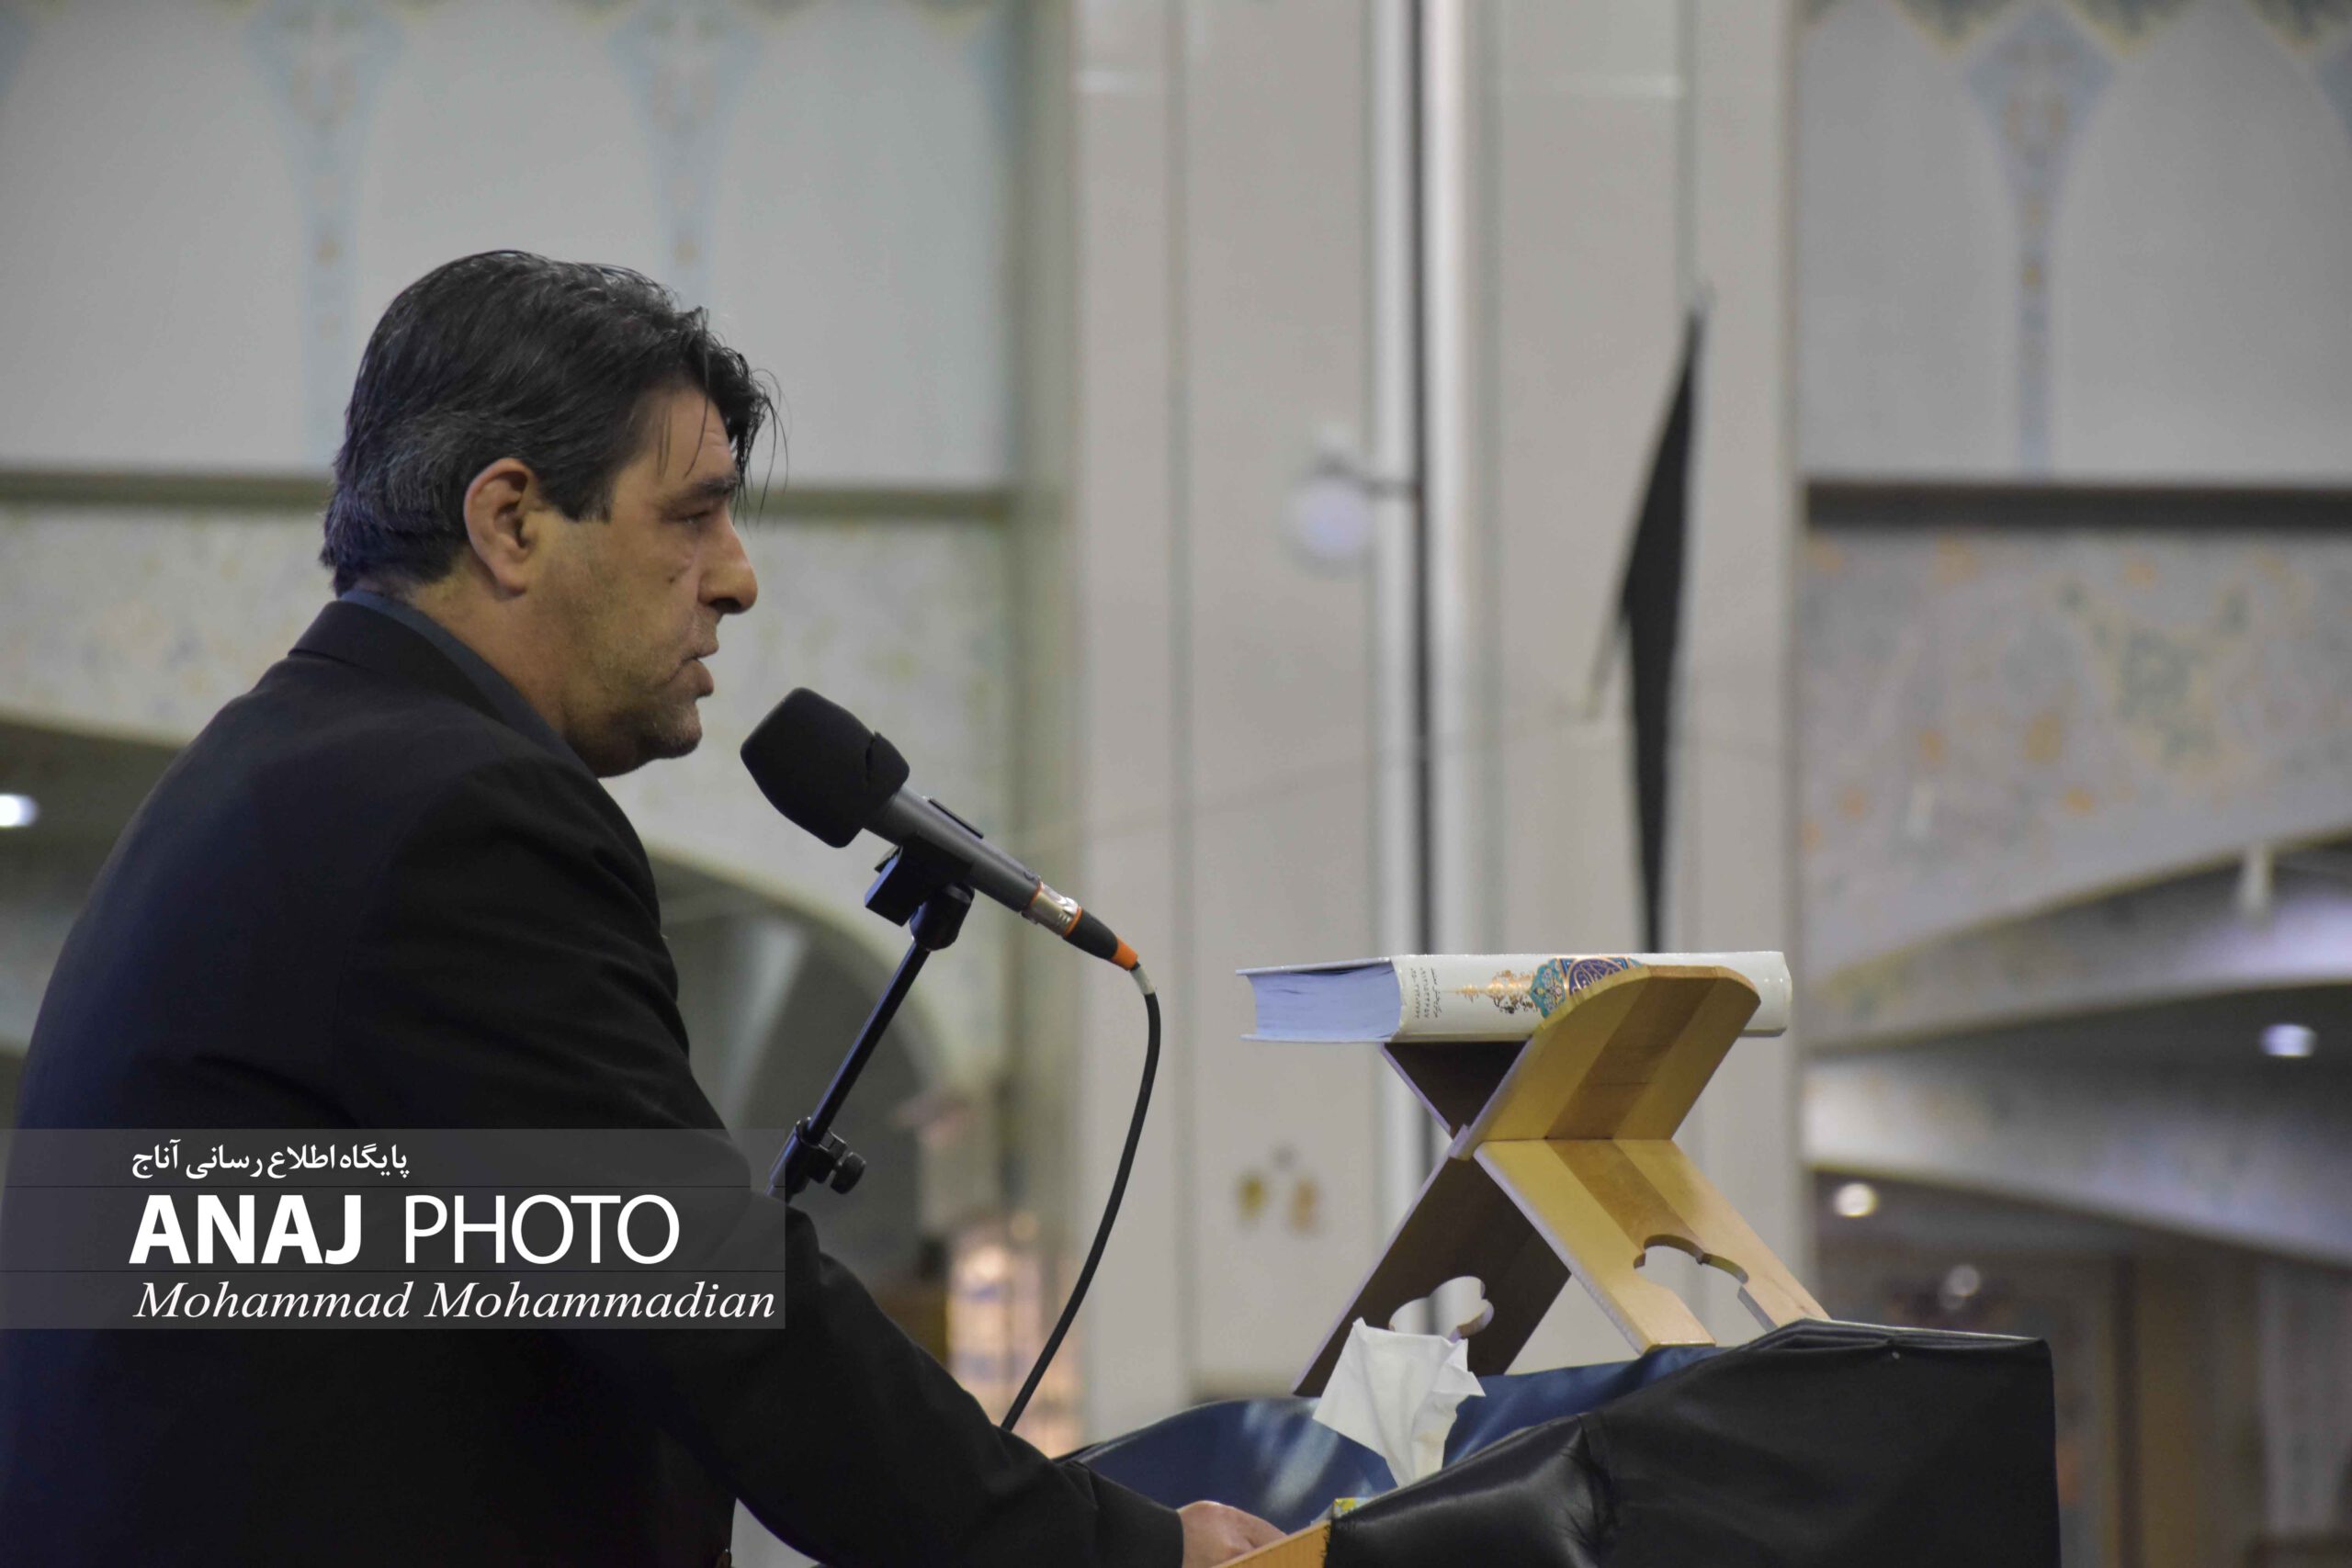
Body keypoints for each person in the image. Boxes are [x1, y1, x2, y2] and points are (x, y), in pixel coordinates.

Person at [0, 252, 1282, 1568]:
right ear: (511, 521)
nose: (737, 578)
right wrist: (1130, 1555)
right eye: (694, 516)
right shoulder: (453, 813)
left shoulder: (286, 767)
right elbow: (710, 1303)